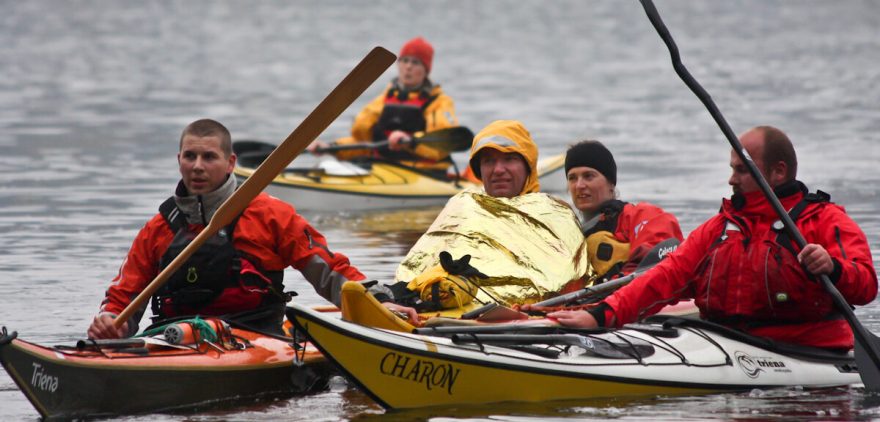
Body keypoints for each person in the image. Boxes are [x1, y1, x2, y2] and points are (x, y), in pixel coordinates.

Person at [549, 126, 877, 350]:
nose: (730, 178)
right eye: (731, 167)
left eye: (742, 170)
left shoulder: (824, 220)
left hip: (808, 350)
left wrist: (832, 267)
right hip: (727, 343)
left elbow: (865, 287)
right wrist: (600, 315)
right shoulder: (717, 229)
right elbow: (662, 279)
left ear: (777, 172)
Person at [87, 119, 365, 339]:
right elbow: (123, 295)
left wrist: (373, 302)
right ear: (179, 160)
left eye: (209, 157)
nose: (197, 167)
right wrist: (111, 321)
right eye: (190, 156)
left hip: (256, 338)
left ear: (230, 163)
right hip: (173, 340)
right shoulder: (158, 228)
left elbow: (329, 269)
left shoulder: (270, 215)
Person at [381, 120, 589, 321]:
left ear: (528, 166)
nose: (498, 169)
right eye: (489, 161)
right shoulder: (463, 204)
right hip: (446, 303)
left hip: (509, 314)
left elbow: (569, 277)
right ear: (479, 170)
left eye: (509, 159)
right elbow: (420, 266)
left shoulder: (554, 212)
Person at [309, 37, 457, 172]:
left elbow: (442, 147)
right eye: (404, 61)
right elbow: (364, 142)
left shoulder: (439, 102)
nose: (408, 67)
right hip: (383, 168)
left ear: (426, 70)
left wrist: (409, 142)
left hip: (423, 172)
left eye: (415, 62)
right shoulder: (384, 99)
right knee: (328, 162)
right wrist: (332, 148)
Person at [564, 140, 683, 281]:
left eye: (588, 176)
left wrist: (621, 281)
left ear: (611, 184)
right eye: (572, 178)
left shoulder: (640, 216)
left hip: (630, 294)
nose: (579, 185)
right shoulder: (566, 236)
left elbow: (659, 246)